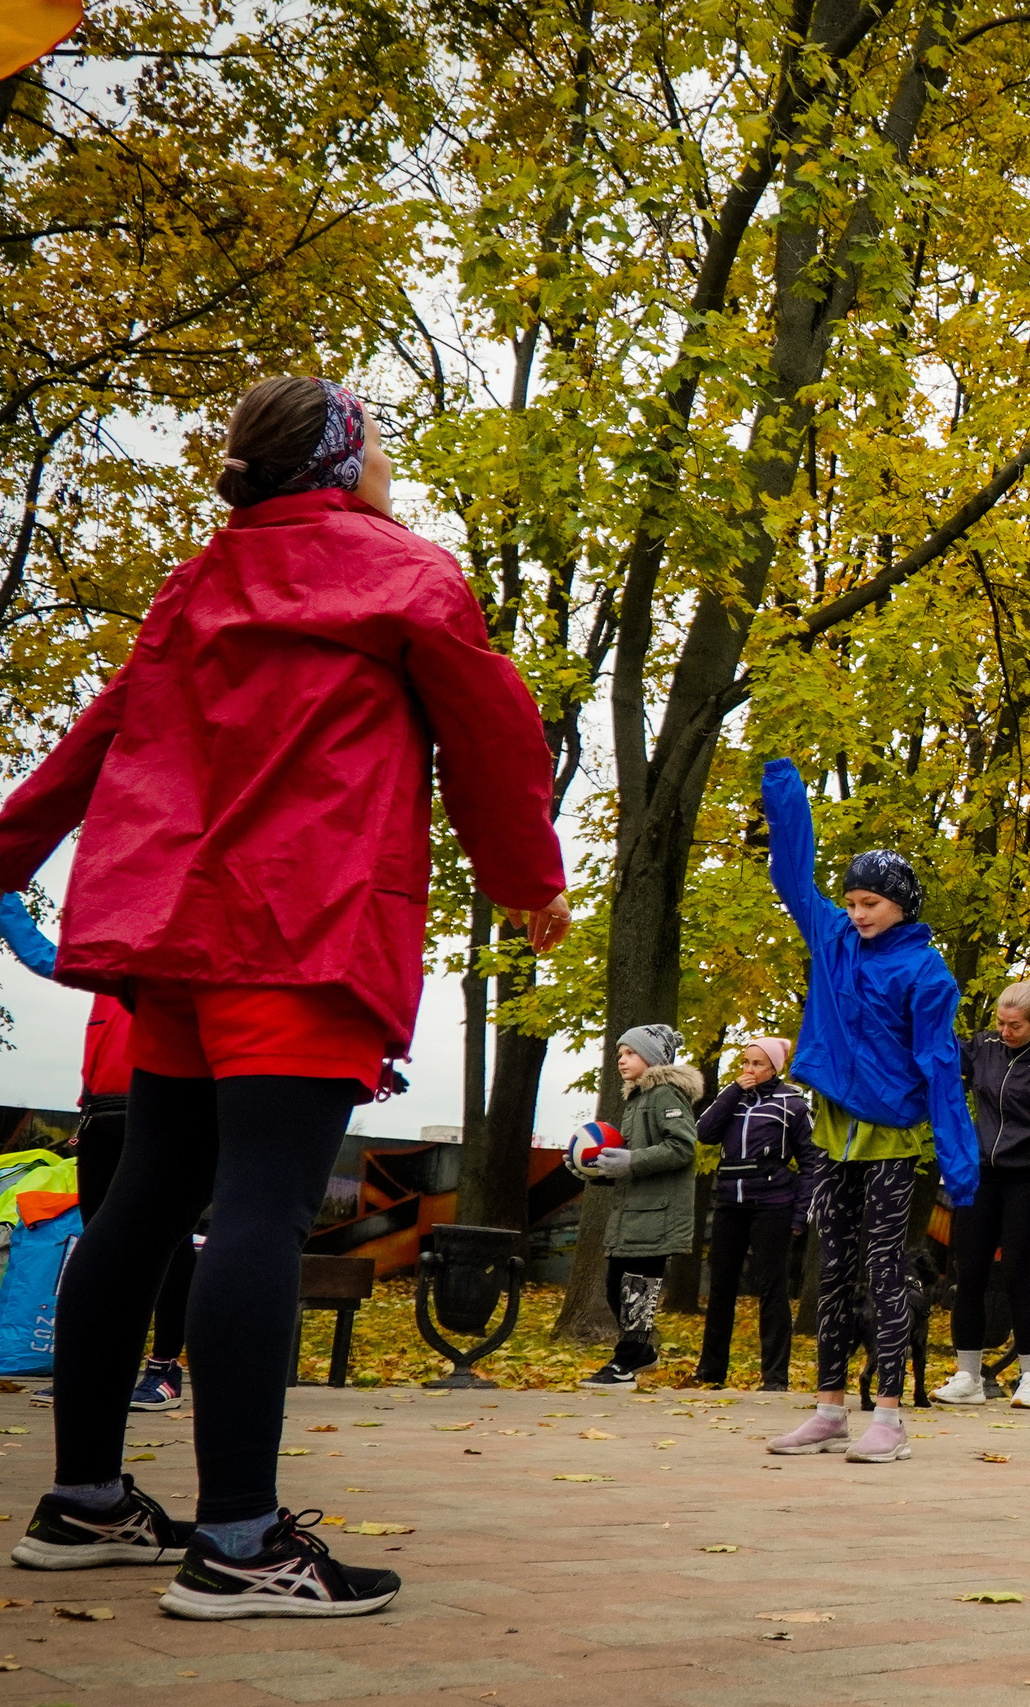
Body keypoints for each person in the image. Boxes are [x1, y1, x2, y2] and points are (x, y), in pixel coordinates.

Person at [0, 375, 568, 1618]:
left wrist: (7, 851)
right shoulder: (408, 576)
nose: (390, 468)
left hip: (177, 930)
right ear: (344, 461)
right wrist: (530, 877)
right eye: (380, 448)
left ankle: (85, 1500)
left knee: (145, 1203)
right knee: (261, 1206)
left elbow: (102, 729)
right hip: (303, 924)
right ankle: (241, 1543)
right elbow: (492, 734)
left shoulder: (198, 582)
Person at [757, 760, 978, 1466]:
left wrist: (959, 1164)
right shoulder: (832, 939)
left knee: (885, 1270)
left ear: (901, 905)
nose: (858, 912)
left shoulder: (926, 972)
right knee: (830, 1268)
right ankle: (828, 1410)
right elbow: (792, 876)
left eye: (871, 903)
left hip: (890, 1138)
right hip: (831, 1129)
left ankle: (889, 1415)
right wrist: (783, 791)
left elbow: (940, 1066)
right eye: (852, 900)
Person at [0, 893, 192, 1412]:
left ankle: (164, 1369)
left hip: (166, 1106)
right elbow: (49, 958)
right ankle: (95, 1370)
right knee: (100, 1245)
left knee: (168, 1242)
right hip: (102, 1112)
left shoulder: (190, 945)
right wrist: (6, 898)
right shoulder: (112, 957)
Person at [936, 978, 1030, 1409]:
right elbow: (939, 1056)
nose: (1005, 1031)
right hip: (980, 1175)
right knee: (969, 1275)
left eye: (1014, 1025)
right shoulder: (984, 1047)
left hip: (1028, 1178)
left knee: (1018, 1273)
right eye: (1000, 1022)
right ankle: (968, 1376)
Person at [581, 1026, 704, 1389]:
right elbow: (631, 1163)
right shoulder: (638, 1099)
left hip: (657, 1215)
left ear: (654, 1058)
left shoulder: (665, 1094)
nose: (621, 1060)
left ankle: (625, 1364)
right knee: (615, 1289)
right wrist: (595, 1170)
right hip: (633, 1214)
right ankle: (643, 1353)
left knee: (637, 1292)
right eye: (619, 1053)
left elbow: (682, 1148)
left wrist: (631, 1161)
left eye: (630, 1053)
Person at [691, 1037, 816, 1392]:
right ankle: (711, 1371)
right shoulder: (733, 1098)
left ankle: (775, 1377)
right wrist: (732, 1092)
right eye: (745, 1062)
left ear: (774, 1068)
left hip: (773, 1205)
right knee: (720, 1288)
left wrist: (800, 1216)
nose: (749, 1070)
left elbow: (812, 1163)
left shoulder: (793, 1105)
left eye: (758, 1064)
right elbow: (704, 1133)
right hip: (729, 1203)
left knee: (772, 1289)